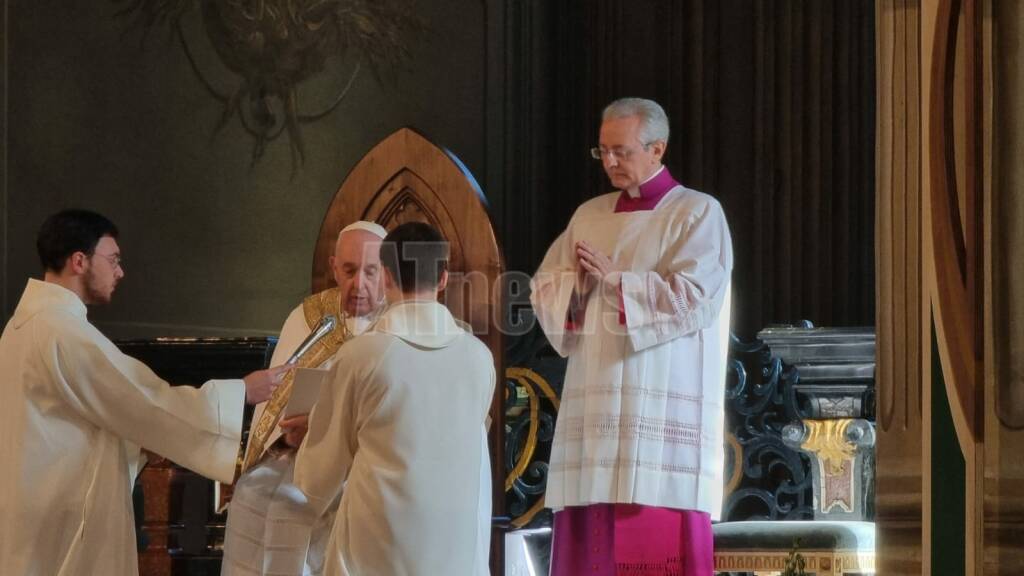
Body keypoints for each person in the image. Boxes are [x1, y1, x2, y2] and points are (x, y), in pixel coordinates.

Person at [0, 209, 286, 576]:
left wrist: (139, 441)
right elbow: (142, 399)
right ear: (79, 261)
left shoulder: (22, 327)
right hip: (61, 517)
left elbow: (98, 416)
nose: (120, 272)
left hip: (33, 511)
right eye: (113, 260)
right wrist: (240, 391)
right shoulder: (60, 331)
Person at [531, 97, 734, 575]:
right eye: (602, 151)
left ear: (657, 149)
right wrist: (577, 287)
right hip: (595, 401)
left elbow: (697, 298)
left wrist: (619, 281)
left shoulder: (698, 213)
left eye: (621, 151)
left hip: (659, 407)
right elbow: (546, 286)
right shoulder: (589, 215)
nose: (610, 162)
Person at [293, 221, 495, 576]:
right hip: (456, 545)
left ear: (385, 277)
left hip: (379, 546)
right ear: (444, 278)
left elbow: (320, 472)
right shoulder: (479, 357)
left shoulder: (362, 355)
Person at [222, 220, 389, 576]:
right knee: (251, 496)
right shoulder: (309, 316)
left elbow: (394, 413)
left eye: (370, 272)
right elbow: (276, 401)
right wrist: (290, 432)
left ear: (387, 272)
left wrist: (326, 428)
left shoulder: (398, 325)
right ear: (333, 267)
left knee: (294, 508)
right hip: (295, 451)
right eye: (349, 270)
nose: (359, 284)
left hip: (357, 465)